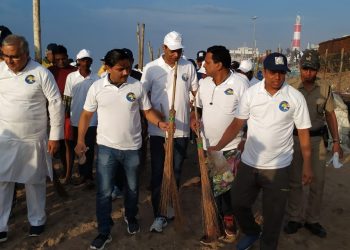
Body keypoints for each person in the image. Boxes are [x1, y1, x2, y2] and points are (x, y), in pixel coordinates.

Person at [209, 52, 313, 250]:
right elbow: (237, 124)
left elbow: (304, 134)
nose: (278, 77)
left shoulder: (295, 97)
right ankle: (251, 231)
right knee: (238, 202)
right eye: (273, 72)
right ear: (264, 71)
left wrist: (307, 165)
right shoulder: (251, 93)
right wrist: (219, 145)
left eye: (282, 73)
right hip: (249, 163)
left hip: (278, 166)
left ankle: (267, 245)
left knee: (273, 216)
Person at [75, 49, 169, 249]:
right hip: (106, 149)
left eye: (128, 67)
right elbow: (85, 115)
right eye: (121, 69)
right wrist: (80, 140)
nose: (126, 72)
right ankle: (104, 231)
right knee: (104, 192)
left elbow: (147, 111)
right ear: (108, 68)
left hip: (133, 148)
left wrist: (160, 123)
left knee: (132, 189)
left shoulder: (136, 86)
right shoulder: (97, 87)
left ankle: (130, 216)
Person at [0, 35, 64, 243]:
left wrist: (55, 136)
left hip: (34, 138)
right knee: (2, 182)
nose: (9, 61)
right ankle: (1, 225)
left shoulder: (40, 73)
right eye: (5, 56)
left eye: (15, 57)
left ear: (26, 54)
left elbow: (55, 103)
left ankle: (37, 220)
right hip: (6, 138)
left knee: (34, 181)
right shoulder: (0, 71)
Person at [141, 31, 198, 233]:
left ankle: (170, 202)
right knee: (158, 173)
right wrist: (157, 117)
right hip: (159, 133)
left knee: (175, 172)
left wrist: (193, 114)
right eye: (172, 51)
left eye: (179, 50)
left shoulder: (188, 66)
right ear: (164, 48)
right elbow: (142, 97)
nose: (176, 54)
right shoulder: (151, 68)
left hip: (181, 132)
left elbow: (195, 94)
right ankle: (159, 213)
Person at [190, 45, 248, 244]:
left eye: (207, 62)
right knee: (210, 188)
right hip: (206, 146)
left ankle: (229, 221)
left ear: (219, 64)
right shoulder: (204, 84)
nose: (203, 65)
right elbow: (197, 108)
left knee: (224, 187)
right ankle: (213, 224)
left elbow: (248, 115)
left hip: (230, 147)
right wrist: (194, 120)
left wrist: (245, 140)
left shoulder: (240, 84)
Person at [284, 50, 343, 238]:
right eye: (305, 68)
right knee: (294, 181)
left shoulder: (325, 87)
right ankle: (294, 217)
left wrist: (336, 142)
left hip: (317, 140)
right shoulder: (290, 86)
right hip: (293, 140)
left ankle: (312, 220)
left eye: (312, 69)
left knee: (318, 181)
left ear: (318, 70)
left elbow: (330, 114)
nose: (308, 72)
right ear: (300, 67)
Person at [63, 49, 99, 188]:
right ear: (78, 61)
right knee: (77, 149)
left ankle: (87, 176)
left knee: (88, 149)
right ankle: (81, 174)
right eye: (83, 60)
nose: (85, 63)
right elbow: (67, 98)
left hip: (91, 120)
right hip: (75, 118)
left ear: (91, 62)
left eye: (88, 60)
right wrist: (66, 116)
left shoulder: (96, 78)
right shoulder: (71, 77)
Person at [49, 45, 77, 183]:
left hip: (69, 113)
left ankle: (68, 174)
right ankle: (64, 169)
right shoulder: (49, 72)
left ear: (67, 56)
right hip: (53, 113)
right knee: (58, 145)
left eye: (63, 58)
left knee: (68, 144)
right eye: (58, 59)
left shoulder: (74, 72)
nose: (61, 61)